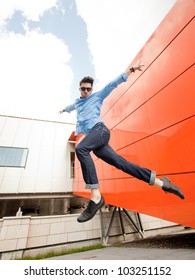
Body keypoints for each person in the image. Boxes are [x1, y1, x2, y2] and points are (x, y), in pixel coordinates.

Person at [59, 65, 185, 223]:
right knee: (121, 164)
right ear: (79, 89)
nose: (86, 92)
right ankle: (162, 183)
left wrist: (130, 71)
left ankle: (96, 197)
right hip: (95, 140)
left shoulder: (97, 96)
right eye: (83, 89)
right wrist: (64, 110)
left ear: (91, 90)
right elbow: (71, 107)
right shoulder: (77, 104)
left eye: (88, 89)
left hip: (100, 131)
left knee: (81, 148)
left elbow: (112, 84)